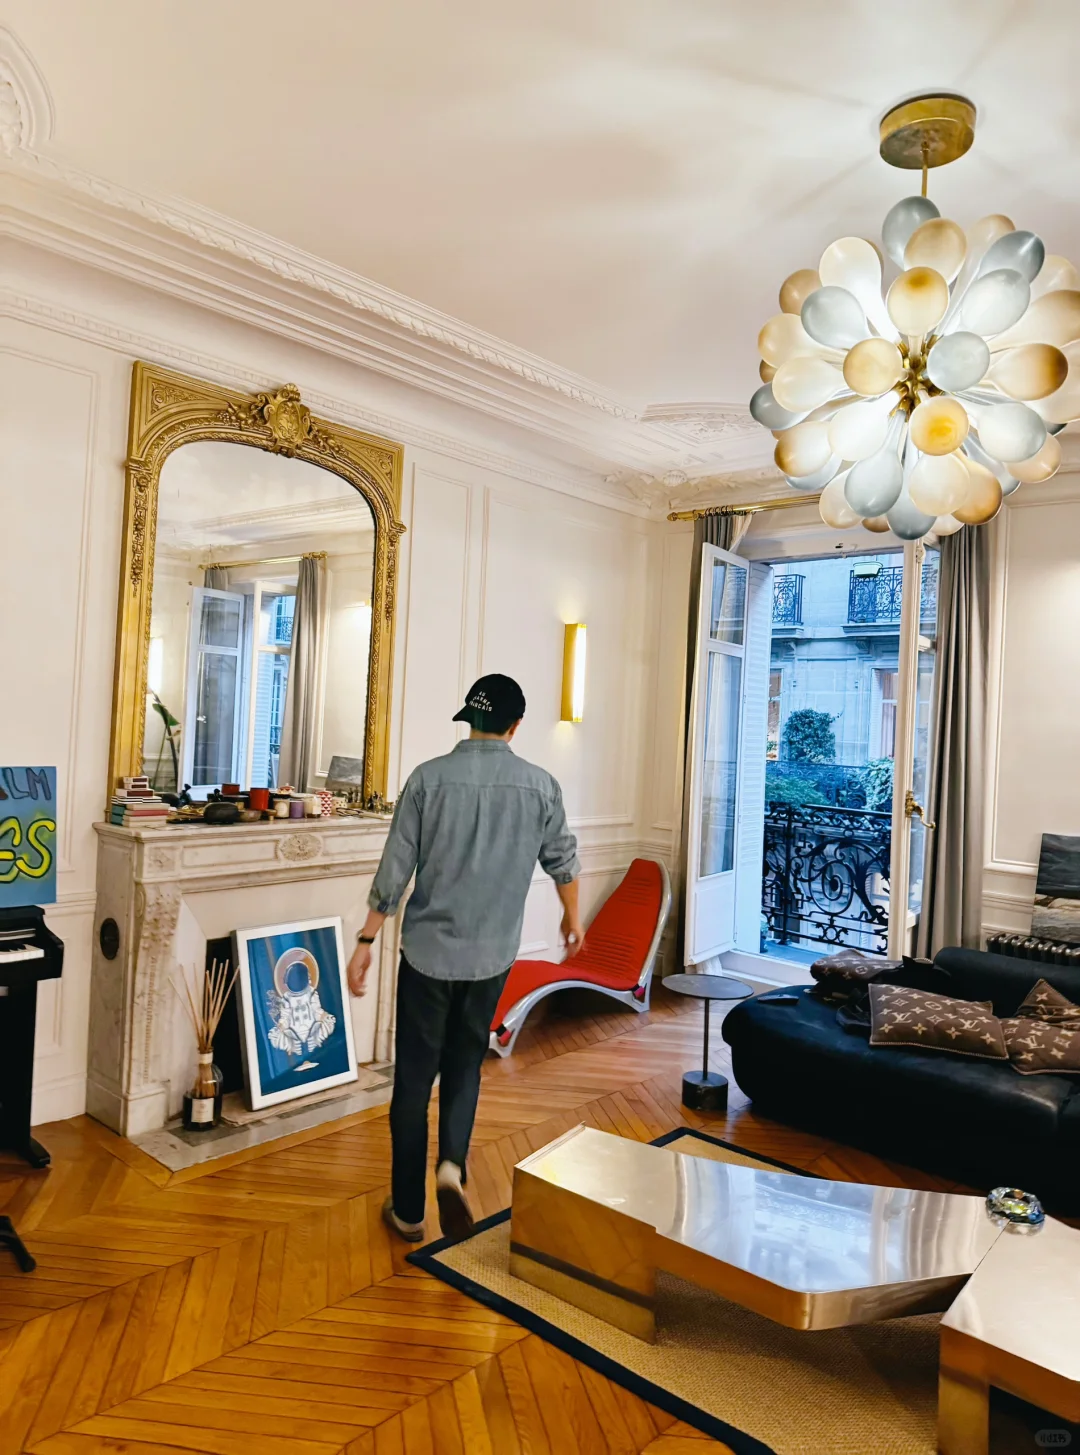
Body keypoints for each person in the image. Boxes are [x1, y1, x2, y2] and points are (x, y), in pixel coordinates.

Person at [347, 673, 583, 1243]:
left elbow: (395, 869)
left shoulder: (427, 779)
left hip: (426, 956)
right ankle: (451, 1165)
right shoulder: (542, 786)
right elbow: (564, 861)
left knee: (413, 1080)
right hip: (491, 957)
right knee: (463, 1066)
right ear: (515, 726)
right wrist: (572, 918)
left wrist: (366, 940)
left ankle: (408, 1211)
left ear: (468, 721)